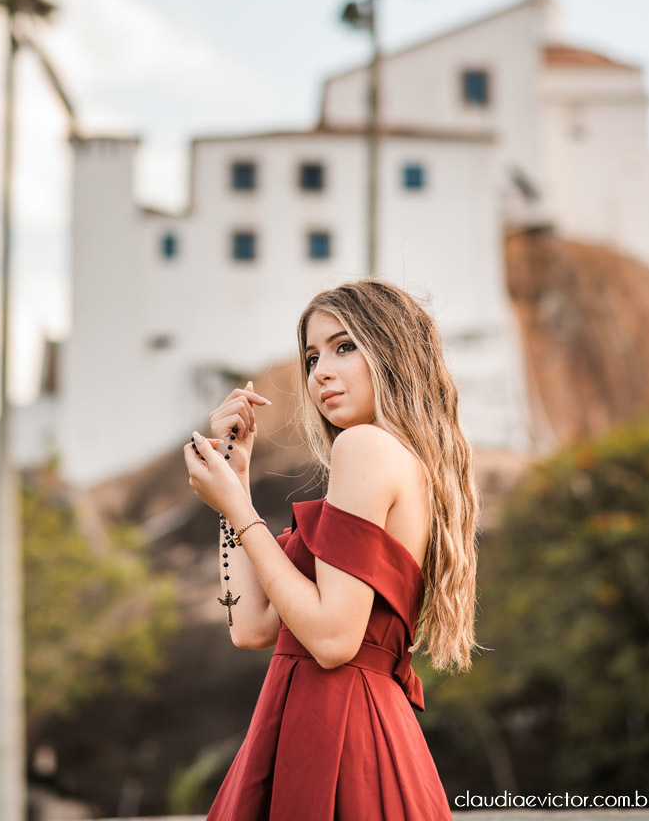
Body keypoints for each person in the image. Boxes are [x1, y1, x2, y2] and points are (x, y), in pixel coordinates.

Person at [183, 278, 482, 820]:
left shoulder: (365, 448)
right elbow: (249, 627)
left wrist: (238, 510)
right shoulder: (403, 463)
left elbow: (332, 638)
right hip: (344, 729)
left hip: (338, 735)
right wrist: (236, 484)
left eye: (345, 347)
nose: (321, 371)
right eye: (312, 355)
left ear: (392, 355)